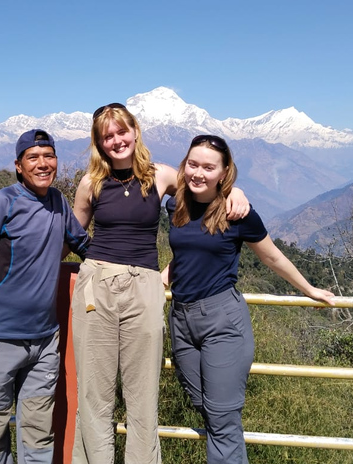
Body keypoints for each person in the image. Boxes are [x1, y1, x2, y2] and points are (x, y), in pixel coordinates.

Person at [70, 104, 250, 464]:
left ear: (135, 131)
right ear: (99, 142)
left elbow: (204, 186)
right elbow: (72, 234)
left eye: (122, 131)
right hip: (96, 285)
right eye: (108, 135)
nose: (117, 140)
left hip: (145, 286)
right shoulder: (90, 183)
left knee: (142, 395)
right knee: (94, 394)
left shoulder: (162, 176)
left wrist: (235, 191)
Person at [160, 134, 336, 464]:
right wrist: (159, 280)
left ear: (224, 172)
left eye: (209, 167)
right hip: (181, 317)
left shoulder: (237, 213)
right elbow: (186, 253)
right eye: (193, 165)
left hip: (222, 318)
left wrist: (309, 289)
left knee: (223, 418)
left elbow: (272, 258)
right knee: (203, 404)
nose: (199, 173)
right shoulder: (176, 205)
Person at [0, 129, 90, 464]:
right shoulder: (1, 203)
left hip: (46, 341)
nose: (43, 164)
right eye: (33, 157)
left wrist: (131, 266)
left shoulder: (59, 202)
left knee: (38, 432)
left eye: (49, 156)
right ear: (19, 165)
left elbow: (84, 245)